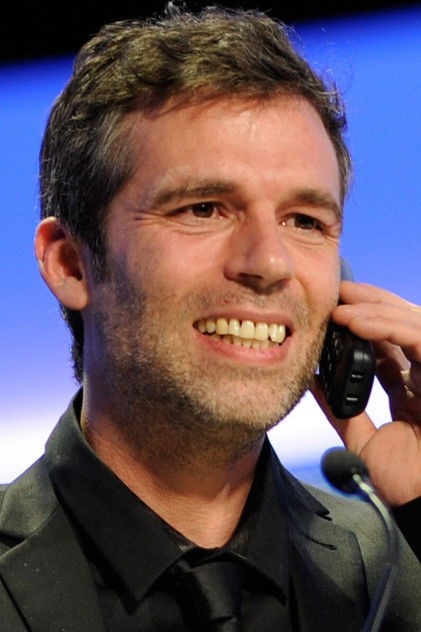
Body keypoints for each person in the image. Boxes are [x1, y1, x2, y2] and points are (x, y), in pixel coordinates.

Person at [0, 5, 420, 631]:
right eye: (203, 209)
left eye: (305, 221)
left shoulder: (396, 566)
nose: (270, 262)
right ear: (71, 264)